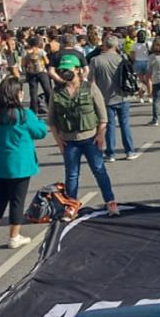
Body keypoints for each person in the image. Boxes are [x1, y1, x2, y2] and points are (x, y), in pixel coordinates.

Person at [0, 77, 48, 249]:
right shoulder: (24, 114)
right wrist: (40, 121)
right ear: (17, 94)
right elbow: (40, 132)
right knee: (17, 200)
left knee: (0, 197)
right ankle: (14, 236)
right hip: (21, 163)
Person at [47, 64, 118, 217]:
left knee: (100, 171)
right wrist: (58, 141)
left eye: (68, 69)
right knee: (72, 174)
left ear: (77, 70)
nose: (64, 72)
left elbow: (103, 116)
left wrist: (100, 136)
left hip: (90, 138)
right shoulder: (57, 91)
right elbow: (51, 120)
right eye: (61, 70)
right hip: (69, 140)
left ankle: (110, 202)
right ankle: (71, 206)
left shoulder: (90, 87)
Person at [89, 35, 140, 161]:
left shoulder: (96, 60)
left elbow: (91, 81)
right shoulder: (121, 58)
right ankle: (129, 150)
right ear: (116, 45)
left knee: (109, 126)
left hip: (104, 97)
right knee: (125, 124)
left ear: (104, 45)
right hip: (122, 95)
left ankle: (110, 153)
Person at [22, 37, 52, 114]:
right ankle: (51, 108)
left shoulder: (25, 52)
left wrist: (25, 72)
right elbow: (47, 61)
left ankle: (34, 111)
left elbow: (23, 64)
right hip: (42, 72)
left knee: (33, 93)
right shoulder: (41, 51)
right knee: (47, 90)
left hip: (31, 74)